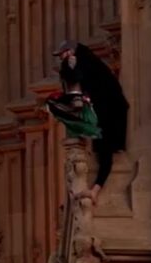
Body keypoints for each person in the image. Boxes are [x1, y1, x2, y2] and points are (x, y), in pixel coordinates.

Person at [52, 40, 129, 203]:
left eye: (63, 54)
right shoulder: (89, 61)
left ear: (71, 52)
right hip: (107, 108)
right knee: (103, 150)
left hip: (108, 109)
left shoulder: (81, 62)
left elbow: (75, 83)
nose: (61, 58)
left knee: (104, 150)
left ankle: (95, 189)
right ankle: (94, 189)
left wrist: (69, 68)